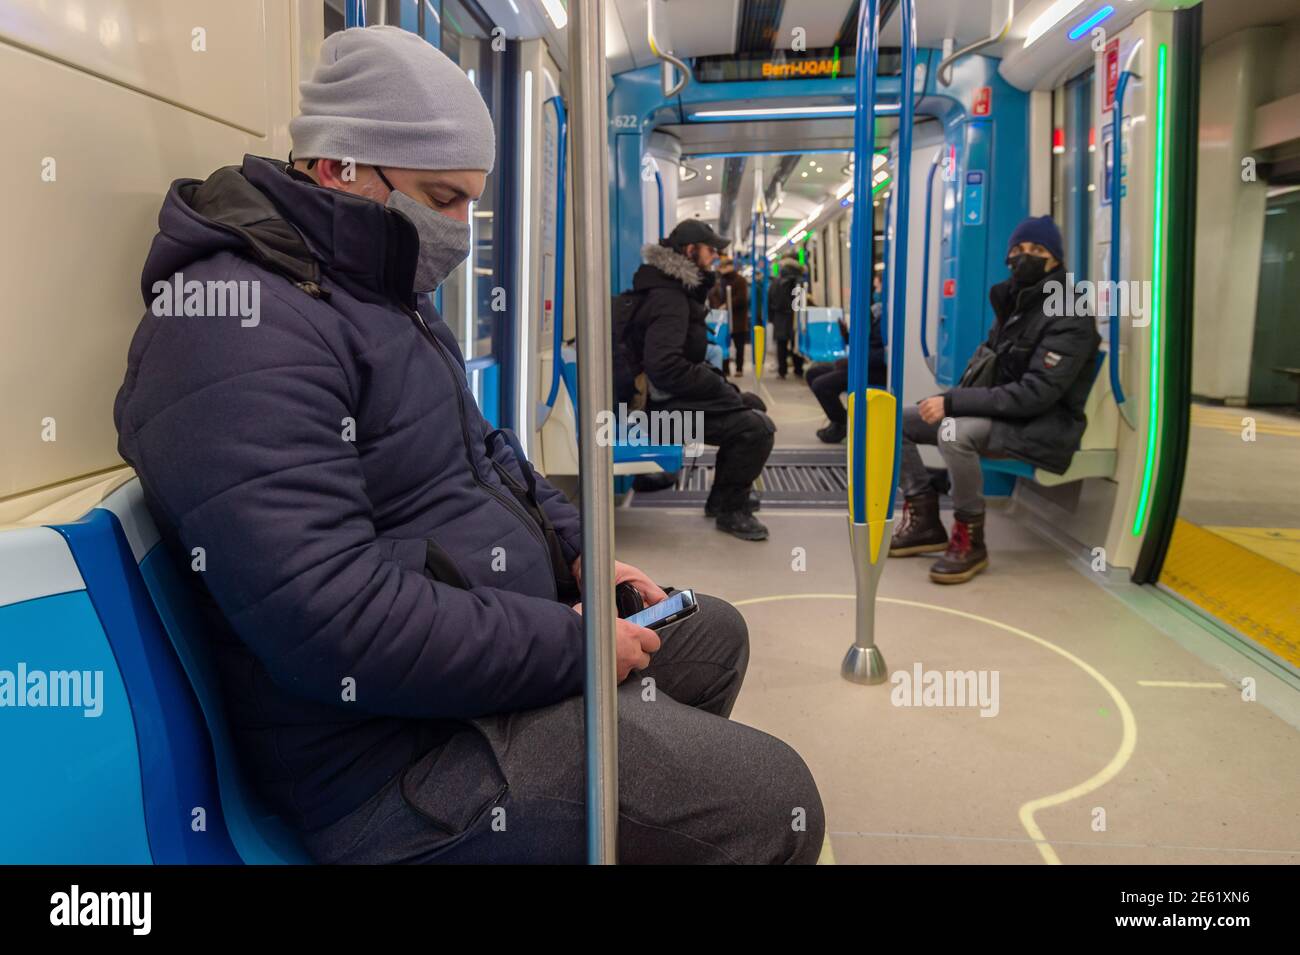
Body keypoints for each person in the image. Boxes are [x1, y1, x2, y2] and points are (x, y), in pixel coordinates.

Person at [114, 26, 822, 863]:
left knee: (711, 635)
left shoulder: (384, 295)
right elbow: (336, 625)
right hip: (390, 762)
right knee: (775, 801)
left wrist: (578, 557)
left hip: (466, 679)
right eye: (440, 196)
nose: (459, 226)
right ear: (341, 166)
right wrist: (573, 645)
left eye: (470, 202)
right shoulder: (235, 329)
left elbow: (493, 458)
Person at [890, 215, 1100, 584]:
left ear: (1056, 259)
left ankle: (970, 536)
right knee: (894, 423)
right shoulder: (1014, 302)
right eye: (1018, 250)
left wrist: (953, 403)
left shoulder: (1069, 309)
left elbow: (1036, 395)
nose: (1025, 257)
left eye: (1037, 250)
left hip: (1044, 425)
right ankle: (924, 519)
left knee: (954, 432)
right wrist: (952, 399)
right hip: (1008, 416)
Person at [631, 221, 777, 541]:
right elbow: (665, 367)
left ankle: (725, 497)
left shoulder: (675, 289)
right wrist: (719, 388)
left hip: (665, 399)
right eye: (711, 250)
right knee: (757, 427)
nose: (715, 256)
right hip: (657, 412)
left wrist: (721, 389)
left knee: (751, 406)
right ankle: (729, 510)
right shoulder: (668, 297)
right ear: (690, 251)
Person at [807, 273, 887, 443]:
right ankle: (839, 420)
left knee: (821, 385)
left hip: (876, 370)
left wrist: (854, 361)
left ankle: (843, 424)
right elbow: (866, 344)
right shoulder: (877, 313)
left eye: (878, 287)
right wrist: (847, 335)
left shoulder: (888, 319)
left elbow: (884, 355)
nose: (876, 291)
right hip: (863, 365)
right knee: (812, 373)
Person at [707, 255, 750, 376]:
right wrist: (718, 307)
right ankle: (725, 369)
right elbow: (713, 295)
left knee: (739, 346)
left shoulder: (740, 280)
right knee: (723, 344)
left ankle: (739, 368)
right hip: (722, 319)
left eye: (724, 266)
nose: (721, 269)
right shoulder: (719, 281)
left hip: (738, 319)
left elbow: (742, 298)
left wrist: (726, 305)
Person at [767, 254, 807, 378]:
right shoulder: (799, 280)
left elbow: (769, 300)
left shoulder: (775, 281)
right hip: (795, 315)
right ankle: (798, 370)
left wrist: (771, 318)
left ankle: (782, 371)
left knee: (781, 345)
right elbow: (801, 300)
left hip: (779, 316)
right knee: (796, 343)